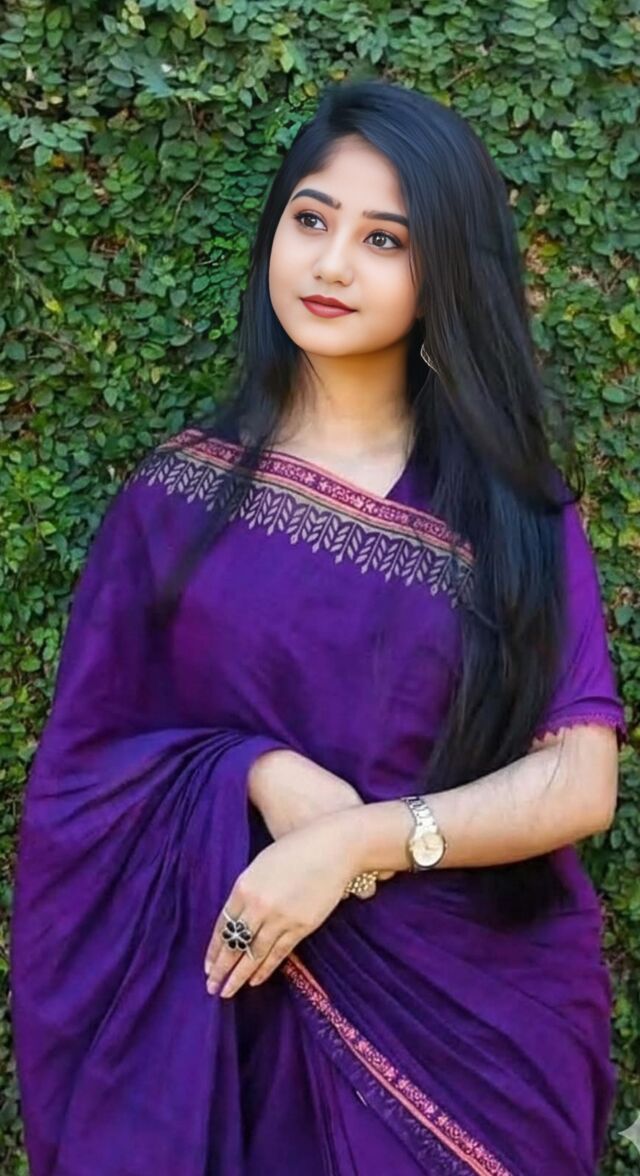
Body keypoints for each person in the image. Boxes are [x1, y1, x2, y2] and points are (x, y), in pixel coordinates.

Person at [10, 78, 627, 1176]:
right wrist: (255, 771)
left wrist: (354, 842)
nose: (331, 263)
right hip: (222, 1018)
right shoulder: (173, 503)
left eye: (383, 239)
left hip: (476, 1036)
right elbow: (84, 776)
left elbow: (577, 780)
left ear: (442, 272)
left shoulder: (511, 512)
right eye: (311, 219)